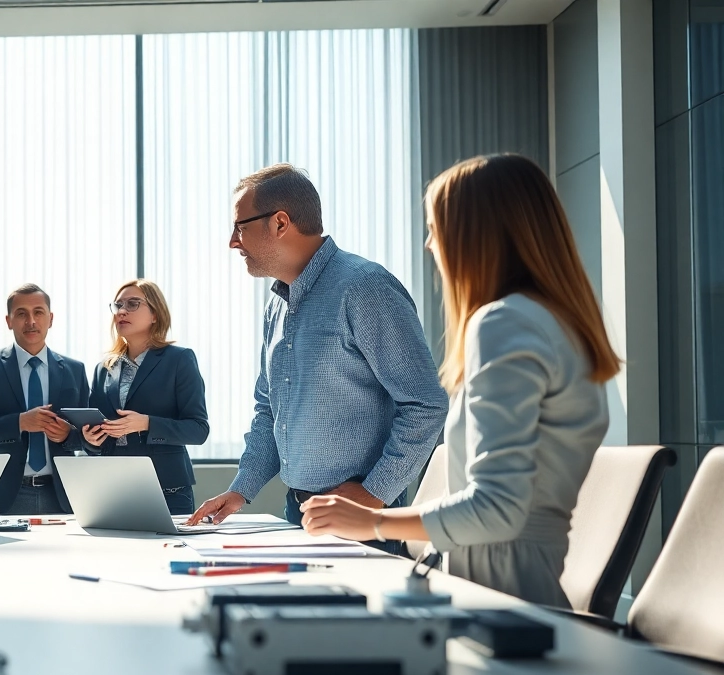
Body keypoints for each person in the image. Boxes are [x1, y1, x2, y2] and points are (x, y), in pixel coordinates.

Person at [299, 154, 617, 606]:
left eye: (436, 228)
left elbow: (496, 509)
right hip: (505, 590)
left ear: (476, 235)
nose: (430, 245)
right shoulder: (556, 323)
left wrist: (369, 521)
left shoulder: (505, 324)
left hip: (498, 604)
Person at [188, 164, 448, 557]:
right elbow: (269, 410)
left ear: (279, 223)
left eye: (240, 227)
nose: (232, 242)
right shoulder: (276, 306)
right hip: (299, 511)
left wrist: (373, 494)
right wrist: (242, 488)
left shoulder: (366, 287)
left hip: (362, 519)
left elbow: (426, 404)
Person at [81, 280, 209, 516]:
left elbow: (198, 430)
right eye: (118, 305)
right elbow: (97, 433)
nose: (121, 311)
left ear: (155, 314)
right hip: (113, 488)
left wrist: (146, 423)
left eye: (132, 304)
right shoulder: (104, 368)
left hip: (168, 489)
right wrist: (91, 439)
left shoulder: (179, 360)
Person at [0, 284, 89, 517]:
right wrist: (20, 423)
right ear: (9, 321)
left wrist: (68, 435)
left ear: (50, 319)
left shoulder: (75, 370)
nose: (31, 321)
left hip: (63, 496)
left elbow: (90, 436)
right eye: (21, 313)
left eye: (38, 312)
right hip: (4, 497)